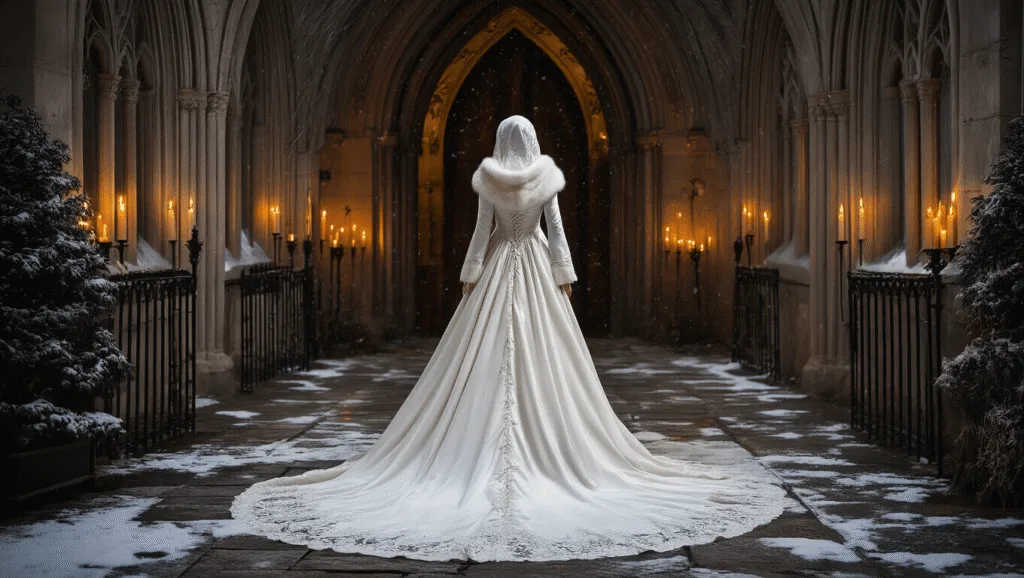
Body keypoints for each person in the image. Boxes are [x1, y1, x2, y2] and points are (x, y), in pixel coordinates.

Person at [231, 115, 784, 562]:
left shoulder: (489, 178)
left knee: (482, 353)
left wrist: (470, 277)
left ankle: (477, 439)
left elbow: (480, 232)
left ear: (500, 142)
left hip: (500, 265)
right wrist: (565, 277)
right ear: (534, 141)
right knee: (549, 357)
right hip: (536, 266)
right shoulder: (546, 176)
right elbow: (557, 231)